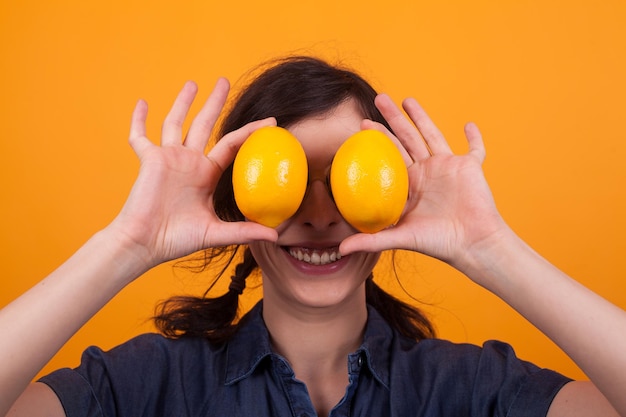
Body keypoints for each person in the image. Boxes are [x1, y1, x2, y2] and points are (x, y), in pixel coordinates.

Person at [1, 56, 624, 416]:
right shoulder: (153, 385)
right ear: (234, 201)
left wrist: (491, 248)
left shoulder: (467, 390)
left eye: (349, 182)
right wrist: (128, 243)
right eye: (290, 180)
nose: (320, 215)